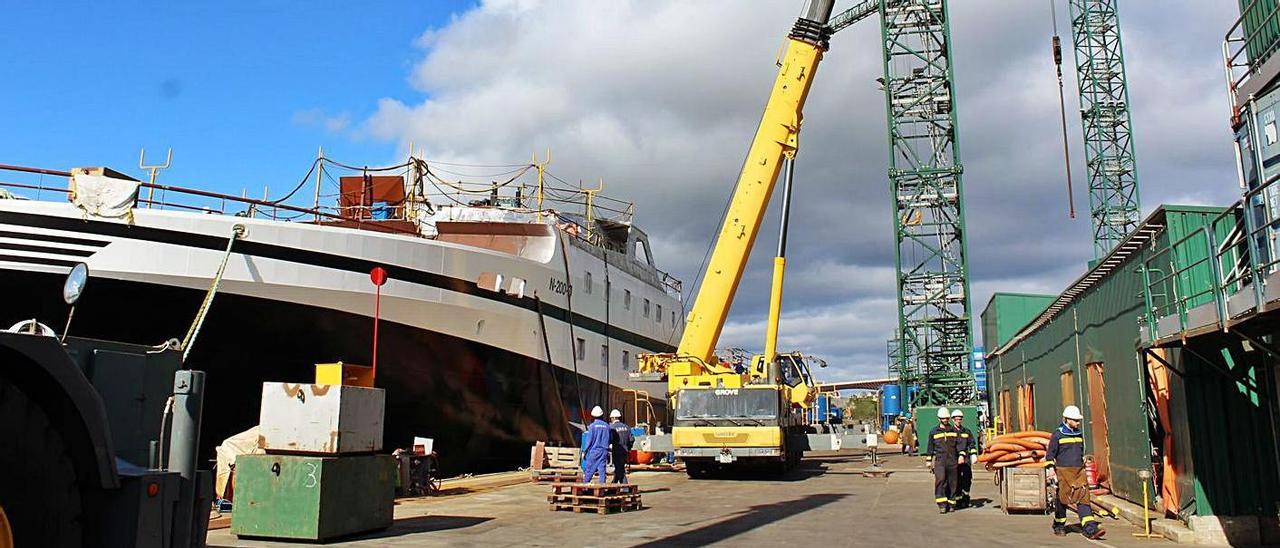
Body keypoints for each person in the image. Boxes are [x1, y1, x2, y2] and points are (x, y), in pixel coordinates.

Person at [1047, 405, 1104, 540]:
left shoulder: (1078, 434)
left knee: (1084, 498)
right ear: (1067, 419)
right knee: (1063, 499)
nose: (1078, 423)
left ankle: (1090, 529)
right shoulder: (1058, 435)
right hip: (1063, 472)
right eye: (1075, 420)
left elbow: (1080, 450)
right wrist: (1050, 470)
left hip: (1079, 472)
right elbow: (1050, 455)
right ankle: (1059, 525)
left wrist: (1081, 459)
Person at [926, 407, 961, 513]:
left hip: (952, 460)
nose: (945, 420)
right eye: (943, 418)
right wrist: (929, 460)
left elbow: (959, 445)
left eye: (946, 418)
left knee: (953, 482)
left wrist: (961, 455)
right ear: (939, 419)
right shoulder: (934, 432)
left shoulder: (953, 431)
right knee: (940, 480)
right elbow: (930, 447)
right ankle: (942, 504)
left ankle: (951, 503)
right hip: (940, 460)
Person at [951, 409, 978, 508]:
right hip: (955, 460)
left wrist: (974, 455)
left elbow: (971, 443)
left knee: (967, 479)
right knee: (956, 480)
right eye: (957, 419)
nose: (958, 421)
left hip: (966, 461)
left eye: (960, 419)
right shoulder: (950, 432)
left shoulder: (966, 431)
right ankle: (958, 500)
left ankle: (965, 498)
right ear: (953, 420)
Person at [581, 406, 611, 483]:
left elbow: (589, 441)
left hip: (594, 451)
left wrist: (584, 451)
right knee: (602, 470)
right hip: (604, 451)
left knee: (589, 469)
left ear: (593, 416)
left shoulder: (592, 426)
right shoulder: (607, 426)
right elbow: (609, 439)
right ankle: (602, 487)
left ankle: (584, 485)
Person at [608, 409, 635, 484]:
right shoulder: (626, 427)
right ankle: (614, 484)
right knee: (619, 467)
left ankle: (625, 485)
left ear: (613, 418)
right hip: (625, 452)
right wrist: (628, 448)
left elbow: (610, 439)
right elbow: (632, 439)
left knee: (620, 469)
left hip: (616, 451)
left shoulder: (612, 427)